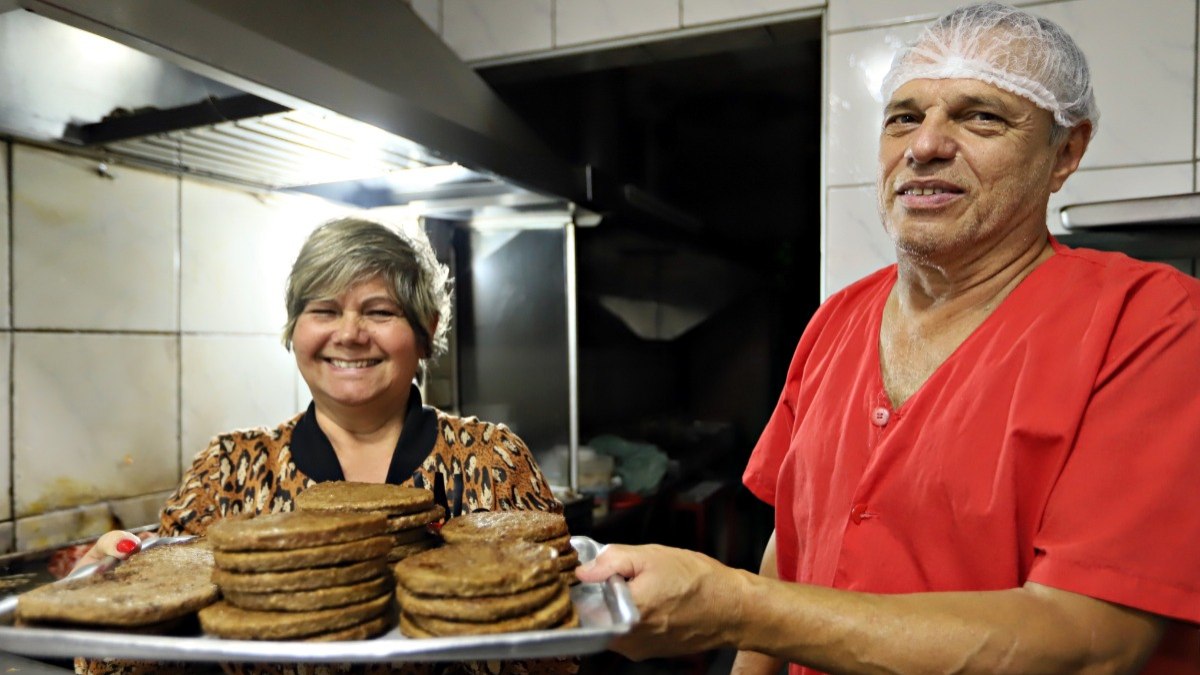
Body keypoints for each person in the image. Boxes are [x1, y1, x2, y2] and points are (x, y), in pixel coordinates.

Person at [577, 3, 1200, 673]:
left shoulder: (1152, 324)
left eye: (981, 115)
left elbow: (1090, 641)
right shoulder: (835, 322)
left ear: (1065, 153)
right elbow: (789, 547)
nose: (925, 144)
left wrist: (734, 605)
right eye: (904, 116)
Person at [72, 217, 573, 675]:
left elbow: (560, 650)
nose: (350, 334)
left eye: (379, 311)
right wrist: (103, 610)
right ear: (296, 330)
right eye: (324, 310)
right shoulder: (227, 470)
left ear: (426, 333)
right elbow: (156, 656)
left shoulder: (491, 458)